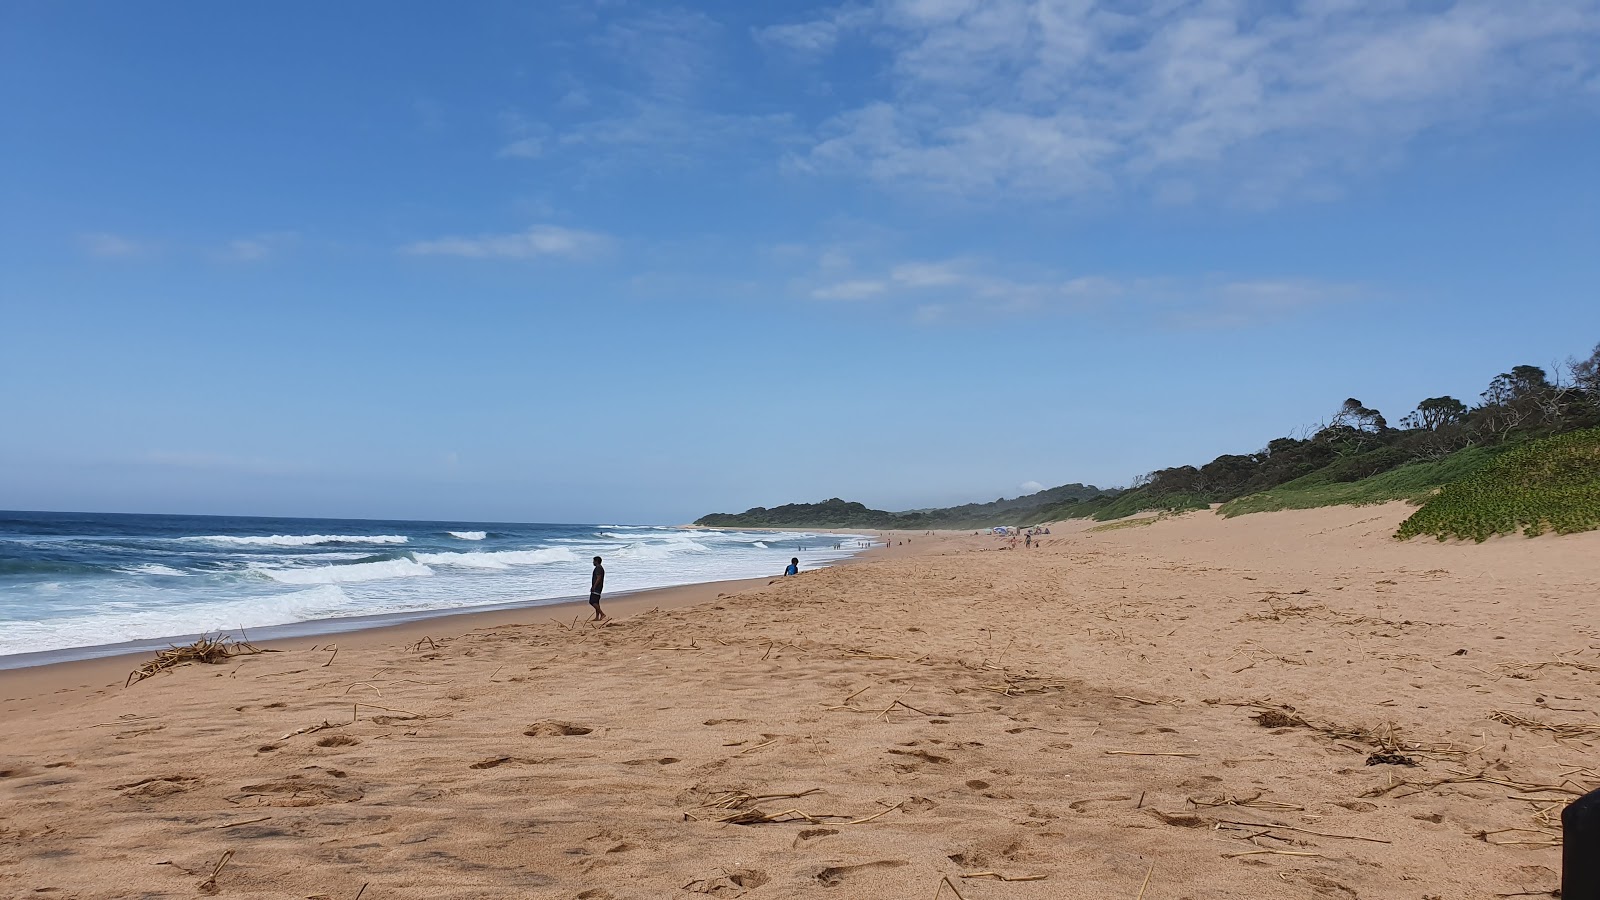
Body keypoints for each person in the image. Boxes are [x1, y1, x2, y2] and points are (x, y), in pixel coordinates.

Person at [589, 556, 607, 622]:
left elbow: (598, 578)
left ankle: (602, 614)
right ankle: (597, 617)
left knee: (592, 601)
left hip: (597, 587)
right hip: (599, 587)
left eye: (593, 561)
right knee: (596, 602)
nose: (593, 562)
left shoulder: (598, 568)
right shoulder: (600, 568)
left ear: (596, 561)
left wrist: (594, 586)